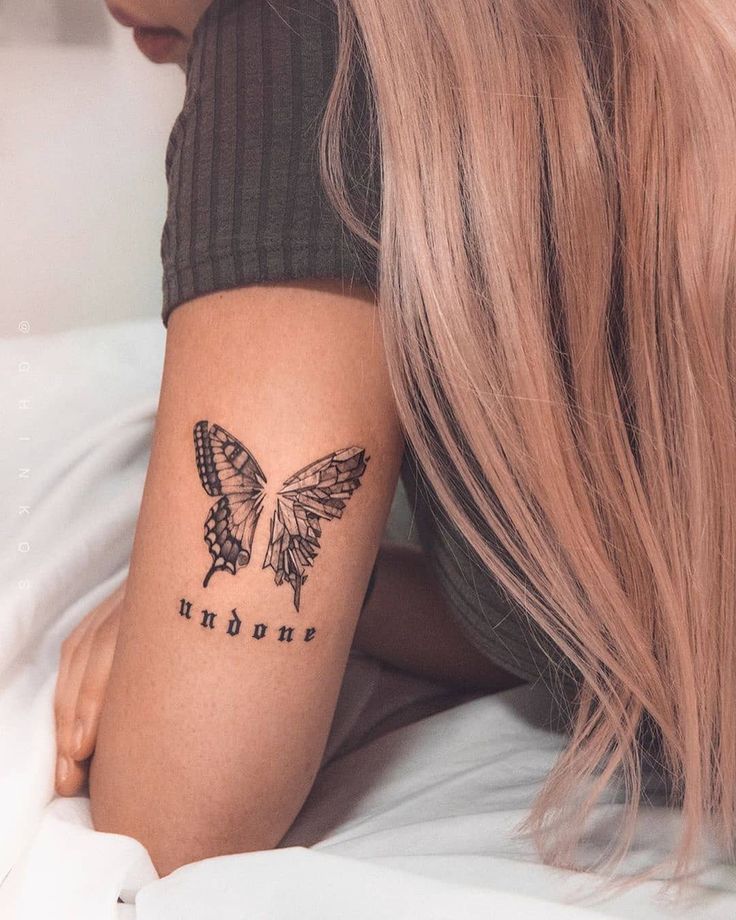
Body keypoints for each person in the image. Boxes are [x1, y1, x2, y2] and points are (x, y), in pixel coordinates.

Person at [53, 0, 736, 894]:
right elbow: (603, 622)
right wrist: (337, 594)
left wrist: (198, 636)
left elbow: (177, 814)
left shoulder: (297, 40)